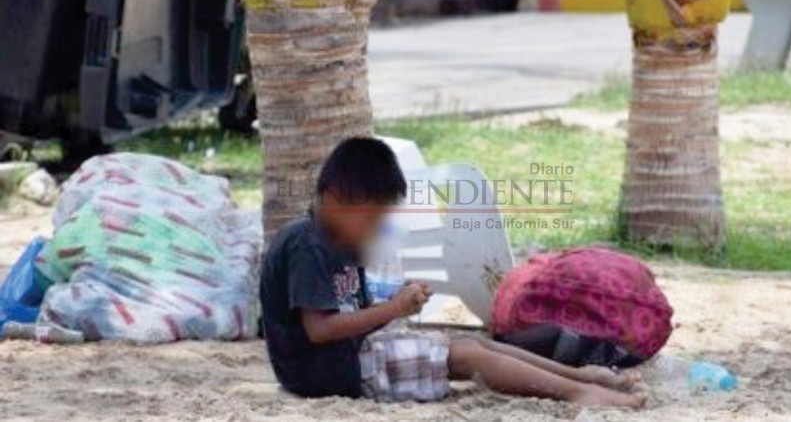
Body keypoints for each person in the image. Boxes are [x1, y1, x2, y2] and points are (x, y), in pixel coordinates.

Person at [260, 137, 647, 408]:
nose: (377, 231)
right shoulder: (306, 244)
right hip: (324, 375)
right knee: (463, 355)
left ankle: (582, 378)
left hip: (345, 357)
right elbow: (320, 330)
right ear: (344, 203)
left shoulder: (341, 242)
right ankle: (575, 393)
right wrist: (392, 309)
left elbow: (350, 318)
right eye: (375, 220)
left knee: (480, 345)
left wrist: (395, 302)